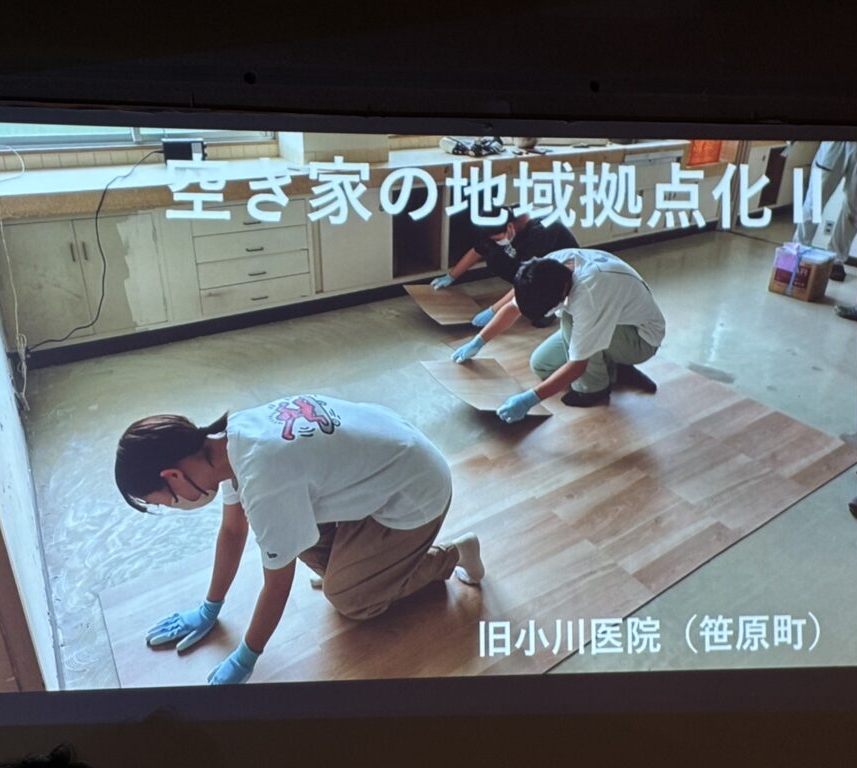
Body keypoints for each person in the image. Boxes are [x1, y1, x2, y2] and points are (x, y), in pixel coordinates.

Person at [114, 394, 485, 685]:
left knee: (352, 600)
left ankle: (453, 555)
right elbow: (232, 530)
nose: (170, 506)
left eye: (160, 502)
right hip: (382, 469)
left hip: (415, 494)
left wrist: (246, 657)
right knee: (287, 533)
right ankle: (360, 569)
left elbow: (277, 586)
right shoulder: (229, 442)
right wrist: (209, 608)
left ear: (173, 475)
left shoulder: (263, 477)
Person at [451, 248, 665, 419]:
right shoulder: (549, 268)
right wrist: (477, 342)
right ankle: (615, 367)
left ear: (561, 295)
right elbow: (513, 308)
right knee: (541, 364)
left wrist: (530, 399)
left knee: (570, 320)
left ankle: (595, 389)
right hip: (614, 323)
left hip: (640, 338)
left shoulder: (588, 296)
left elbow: (578, 365)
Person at [431, 209, 581, 327]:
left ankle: (549, 308)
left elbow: (529, 276)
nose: (497, 241)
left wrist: (493, 311)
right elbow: (478, 250)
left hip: (561, 275)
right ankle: (524, 297)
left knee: (536, 312)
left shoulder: (540, 233)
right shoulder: (502, 219)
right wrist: (451, 276)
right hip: (533, 264)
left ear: (510, 227)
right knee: (494, 257)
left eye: (498, 238)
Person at [793, 141, 857, 282]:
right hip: (836, 141)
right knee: (815, 201)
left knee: (855, 209)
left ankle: (836, 259)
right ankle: (798, 250)